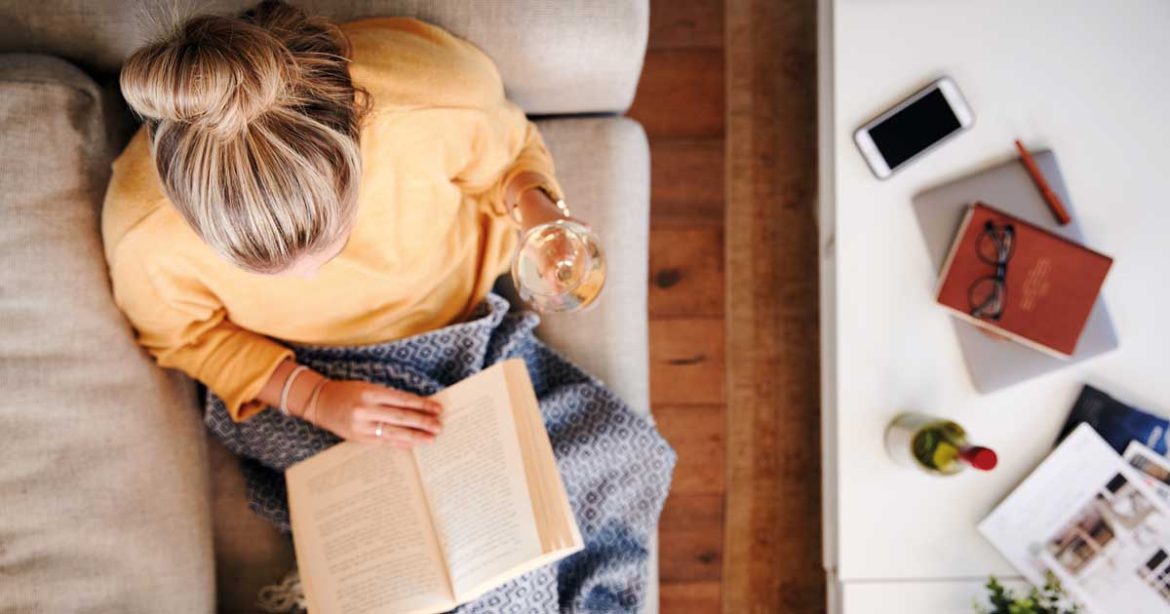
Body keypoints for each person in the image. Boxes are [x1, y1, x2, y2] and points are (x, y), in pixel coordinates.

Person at [103, 1, 576, 446]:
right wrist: (313, 397)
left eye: (332, 243)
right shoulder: (144, 233)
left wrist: (542, 216)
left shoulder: (436, 97)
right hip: (309, 370)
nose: (310, 277)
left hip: (468, 319)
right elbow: (183, 337)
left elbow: (508, 156)